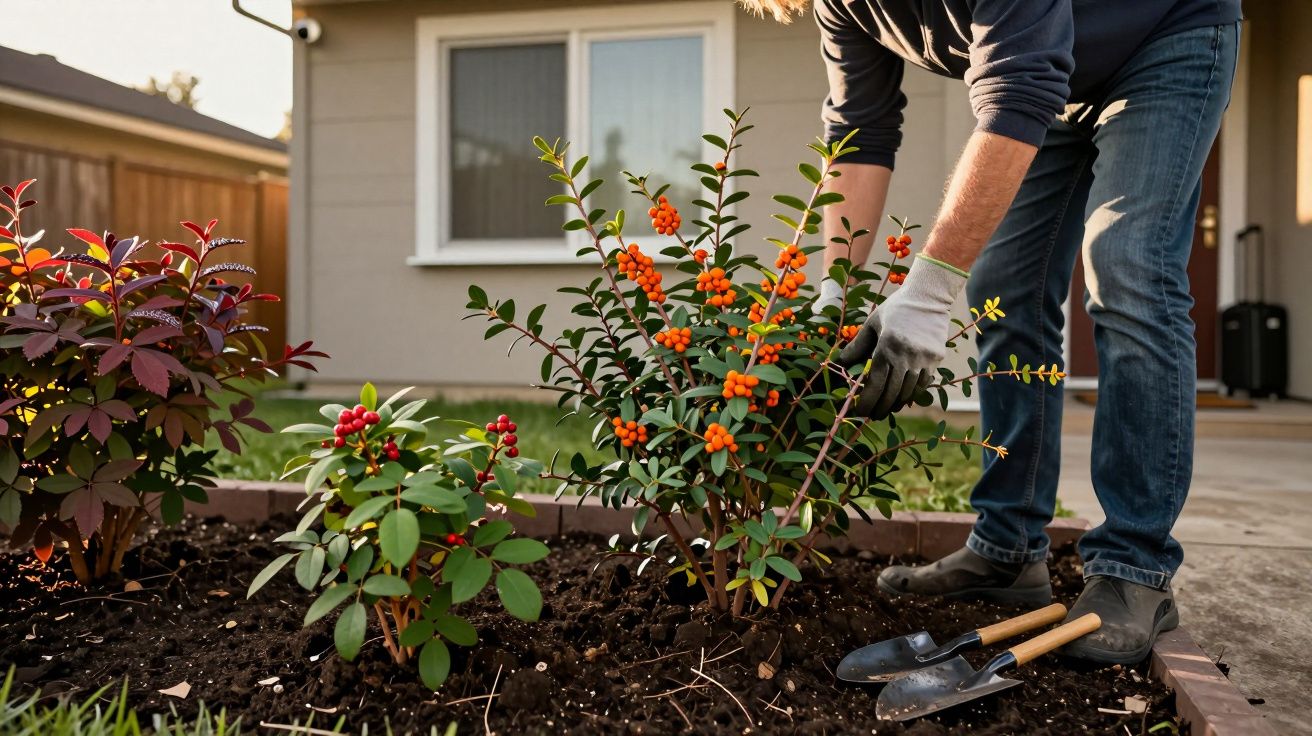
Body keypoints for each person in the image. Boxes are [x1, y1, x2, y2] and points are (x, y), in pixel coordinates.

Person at [739, 0, 1241, 664]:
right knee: (1002, 287)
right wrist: (837, 293)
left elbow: (1018, 87)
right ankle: (1008, 552)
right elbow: (859, 129)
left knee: (1126, 262)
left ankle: (1134, 568)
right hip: (1056, 75)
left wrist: (925, 293)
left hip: (1164, 34)